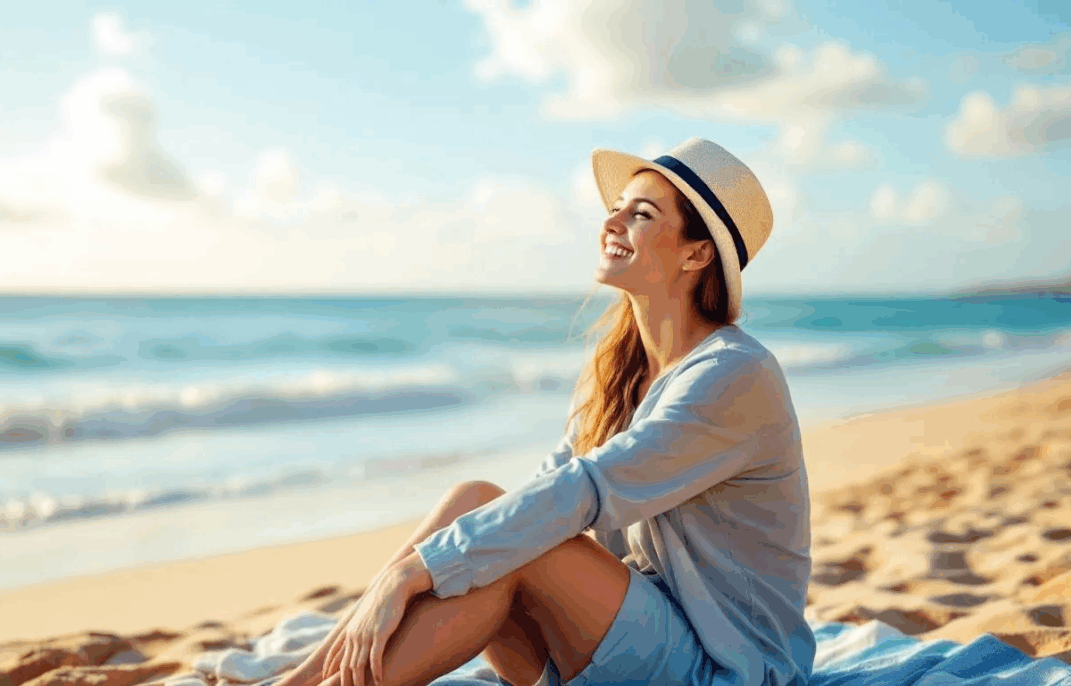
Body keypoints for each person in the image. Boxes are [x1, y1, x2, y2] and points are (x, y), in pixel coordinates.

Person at [278, 138, 816, 686]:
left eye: (642, 214)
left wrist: (413, 573)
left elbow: (586, 491)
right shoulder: (622, 371)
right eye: (616, 208)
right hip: (624, 639)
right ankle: (300, 682)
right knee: (477, 504)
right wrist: (406, 574)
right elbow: (536, 494)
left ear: (696, 254)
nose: (614, 223)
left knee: (502, 535)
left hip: (732, 666)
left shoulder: (734, 375)